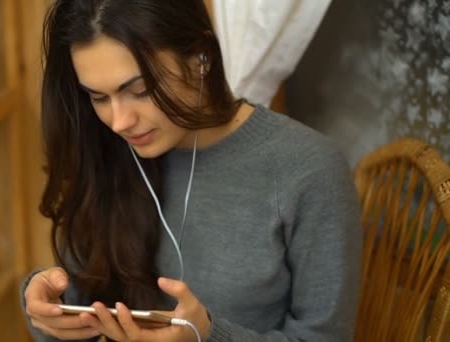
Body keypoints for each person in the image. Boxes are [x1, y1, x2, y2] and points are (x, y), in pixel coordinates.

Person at [21, 0, 362, 341]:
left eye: (141, 90)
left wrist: (207, 336)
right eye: (98, 97)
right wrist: (49, 310)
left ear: (201, 57)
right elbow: (83, 302)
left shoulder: (307, 170)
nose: (120, 122)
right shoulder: (106, 152)